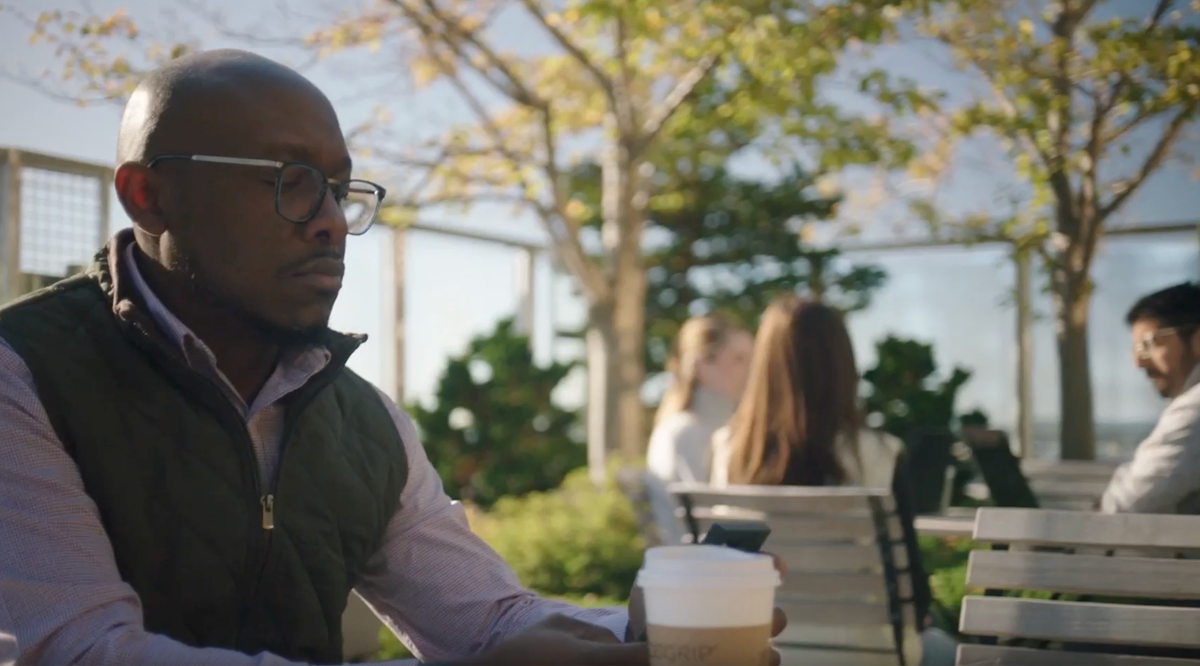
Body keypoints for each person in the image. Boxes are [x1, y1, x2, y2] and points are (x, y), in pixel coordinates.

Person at [0, 50, 788, 666]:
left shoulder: (359, 420)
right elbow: (80, 651)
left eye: (341, 190)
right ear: (149, 195)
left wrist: (647, 633)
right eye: (292, 182)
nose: (332, 223)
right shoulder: (24, 375)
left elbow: (486, 619)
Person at [710, 295, 956, 666]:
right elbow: (913, 597)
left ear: (765, 366)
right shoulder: (882, 453)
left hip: (757, 650)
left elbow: (714, 569)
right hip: (868, 654)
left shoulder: (727, 449)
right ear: (843, 366)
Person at [1101, 282, 1200, 514]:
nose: (1138, 362)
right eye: (1136, 349)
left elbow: (1129, 504)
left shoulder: (1194, 410)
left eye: (1149, 344)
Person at [646, 313, 752, 482]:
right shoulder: (685, 433)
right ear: (703, 365)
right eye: (739, 359)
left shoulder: (724, 428)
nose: (751, 370)